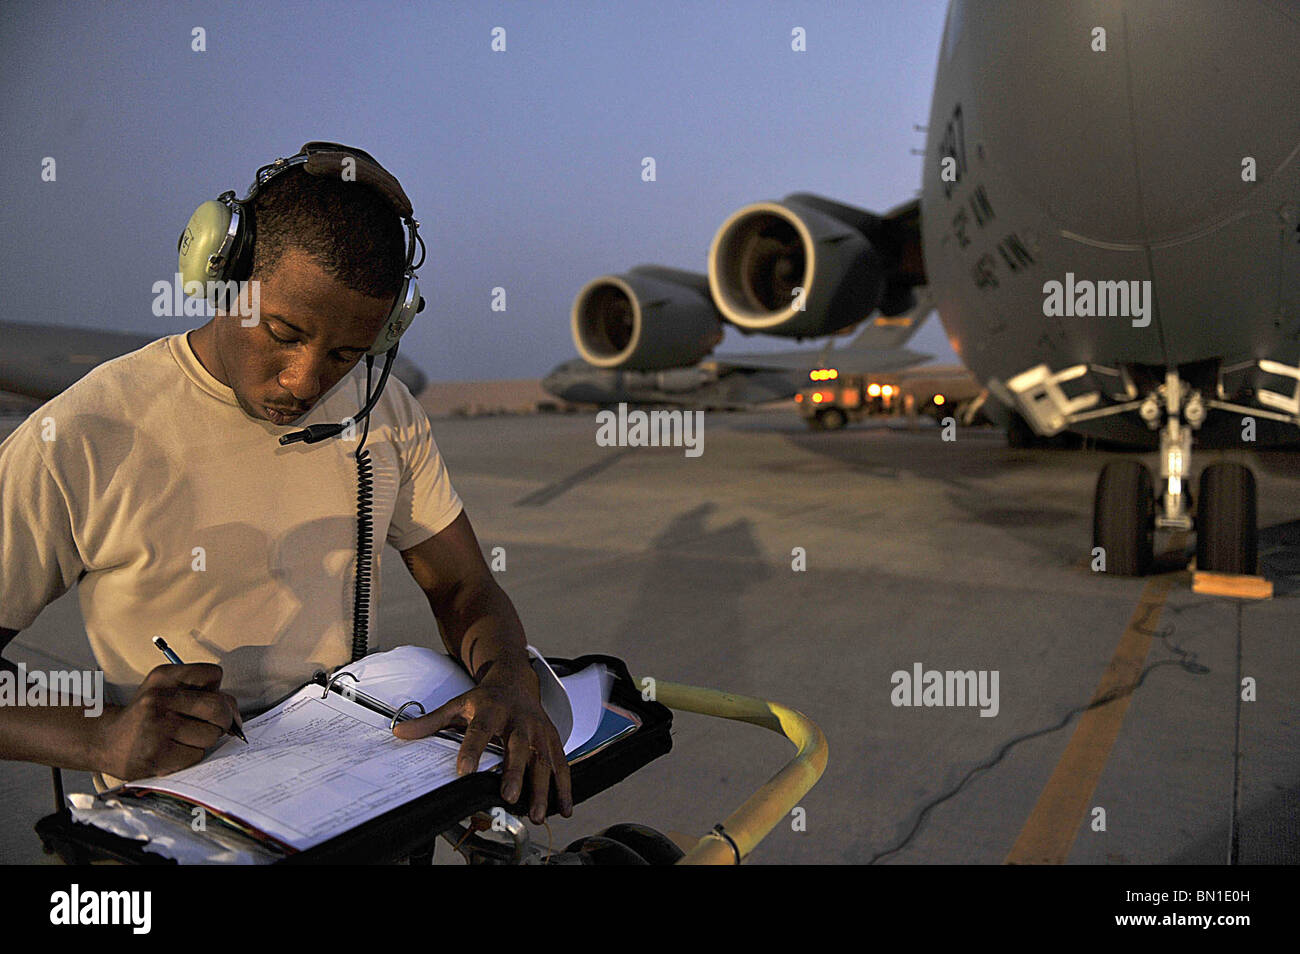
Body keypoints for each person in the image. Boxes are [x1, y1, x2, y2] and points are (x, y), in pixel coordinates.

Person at [0, 144, 572, 826]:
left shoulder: (383, 413)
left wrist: (510, 677)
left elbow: (462, 584)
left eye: (344, 354)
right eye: (282, 331)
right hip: (177, 828)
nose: (305, 381)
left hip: (348, 811)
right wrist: (101, 737)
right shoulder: (81, 435)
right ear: (223, 275)